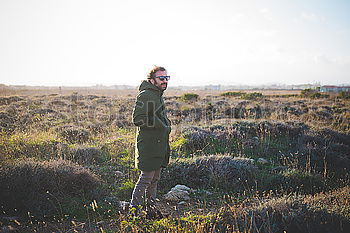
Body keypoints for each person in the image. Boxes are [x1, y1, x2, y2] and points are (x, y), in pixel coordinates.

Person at [129, 66, 171, 218]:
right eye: (161, 78)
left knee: (154, 179)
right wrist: (161, 125)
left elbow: (156, 115)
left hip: (159, 145)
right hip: (149, 146)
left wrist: (165, 125)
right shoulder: (146, 95)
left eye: (167, 78)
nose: (165, 81)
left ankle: (151, 211)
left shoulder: (157, 94)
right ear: (152, 80)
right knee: (146, 179)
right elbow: (138, 119)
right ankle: (133, 213)